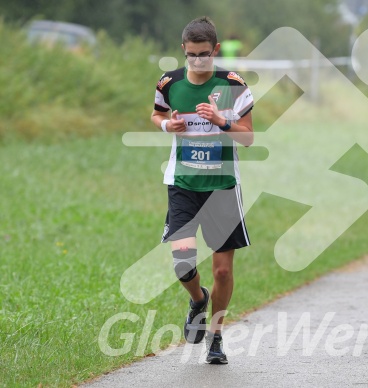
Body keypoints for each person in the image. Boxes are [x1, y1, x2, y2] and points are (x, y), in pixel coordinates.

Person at [150, 16, 254, 364]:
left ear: (216, 50)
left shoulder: (234, 84)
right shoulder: (169, 83)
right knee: (182, 262)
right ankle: (197, 299)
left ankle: (216, 337)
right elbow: (156, 114)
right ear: (183, 50)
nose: (197, 61)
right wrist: (168, 125)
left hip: (222, 186)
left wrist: (221, 120)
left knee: (223, 270)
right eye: (191, 54)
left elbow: (249, 138)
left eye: (204, 54)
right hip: (182, 184)